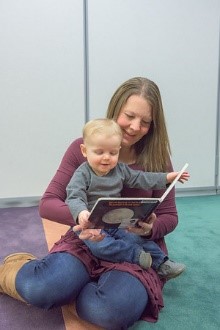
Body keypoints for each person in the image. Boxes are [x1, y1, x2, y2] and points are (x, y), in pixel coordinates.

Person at [0, 77, 187, 329]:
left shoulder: (157, 157)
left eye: (145, 122)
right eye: (129, 116)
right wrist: (85, 217)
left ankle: (72, 288)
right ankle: (20, 269)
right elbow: (48, 203)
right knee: (41, 288)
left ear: (154, 125)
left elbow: (169, 215)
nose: (134, 127)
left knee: (109, 311)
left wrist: (151, 228)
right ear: (115, 109)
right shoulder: (83, 148)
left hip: (134, 245)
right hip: (90, 235)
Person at [67, 118, 189, 275]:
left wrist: (167, 178)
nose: (106, 157)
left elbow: (142, 179)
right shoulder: (82, 173)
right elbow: (74, 196)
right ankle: (136, 256)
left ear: (119, 150)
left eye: (113, 153)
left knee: (135, 237)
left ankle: (162, 263)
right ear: (84, 151)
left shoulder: (120, 169)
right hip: (92, 226)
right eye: (99, 152)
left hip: (115, 220)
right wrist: (82, 213)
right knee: (101, 246)